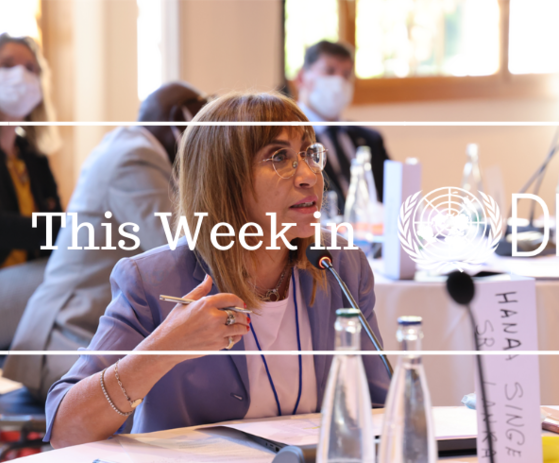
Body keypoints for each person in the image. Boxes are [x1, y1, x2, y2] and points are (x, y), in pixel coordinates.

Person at [45, 92, 390, 448]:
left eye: (309, 153)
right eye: (279, 157)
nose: (309, 175)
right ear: (224, 179)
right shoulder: (154, 279)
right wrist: (164, 348)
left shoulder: (340, 264)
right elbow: (66, 430)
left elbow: (380, 407)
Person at [3, 82, 209, 399]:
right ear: (177, 120)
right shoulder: (135, 157)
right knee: (168, 400)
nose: (203, 143)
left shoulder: (129, 147)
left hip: (90, 329)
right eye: (200, 129)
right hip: (66, 334)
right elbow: (180, 246)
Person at [0, 33, 62, 349]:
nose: (20, 76)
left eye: (30, 68)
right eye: (7, 64)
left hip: (28, 276)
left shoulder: (33, 156)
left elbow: (59, 226)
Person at [294, 40, 390, 211]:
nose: (339, 81)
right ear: (301, 78)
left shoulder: (370, 138)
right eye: (329, 71)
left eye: (346, 74)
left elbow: (392, 196)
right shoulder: (289, 138)